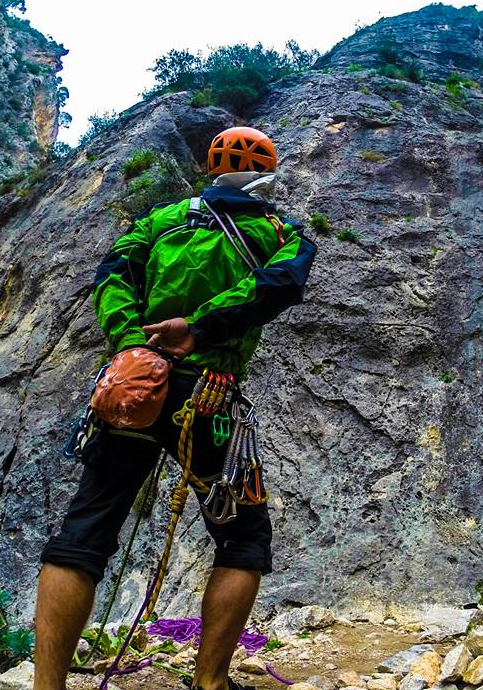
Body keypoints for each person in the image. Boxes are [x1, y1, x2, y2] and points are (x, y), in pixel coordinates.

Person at [33, 126, 317, 690]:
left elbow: (111, 274)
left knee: (85, 530)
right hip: (205, 393)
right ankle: (209, 683)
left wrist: (130, 344)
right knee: (242, 538)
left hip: (133, 389)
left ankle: (47, 687)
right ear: (266, 170)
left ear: (213, 168)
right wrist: (201, 326)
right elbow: (280, 285)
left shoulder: (160, 220)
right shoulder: (281, 230)